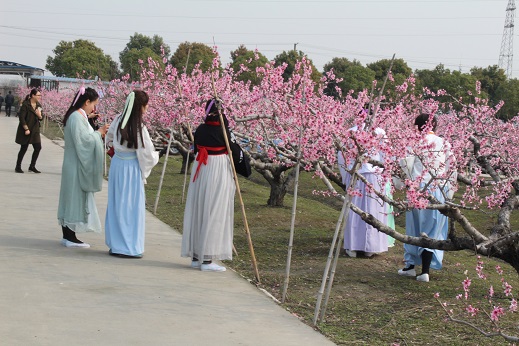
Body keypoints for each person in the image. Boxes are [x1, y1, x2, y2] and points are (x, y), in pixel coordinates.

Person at [397, 113, 454, 282]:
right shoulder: (444, 143)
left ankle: (410, 266)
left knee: (414, 226)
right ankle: (425, 271)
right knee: (433, 228)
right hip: (438, 188)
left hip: (417, 188)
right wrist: (448, 192)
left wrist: (401, 184)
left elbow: (405, 164)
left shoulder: (414, 142)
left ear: (417, 126)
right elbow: (452, 168)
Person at [181, 98, 236, 272]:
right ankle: (207, 259)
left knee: (200, 208)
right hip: (216, 168)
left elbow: (196, 148)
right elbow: (232, 149)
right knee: (214, 210)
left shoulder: (200, 129)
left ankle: (197, 256)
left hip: (201, 167)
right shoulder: (223, 130)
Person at [105, 91, 159, 258]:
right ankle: (129, 247)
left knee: (117, 204)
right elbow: (146, 154)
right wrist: (156, 157)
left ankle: (116, 245)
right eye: (146, 105)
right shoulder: (139, 128)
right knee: (130, 206)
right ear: (140, 107)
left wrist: (116, 149)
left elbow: (108, 138)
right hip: (131, 168)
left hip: (117, 165)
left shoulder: (118, 119)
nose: (147, 108)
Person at [57, 87, 109, 248]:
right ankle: (70, 237)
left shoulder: (77, 116)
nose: (94, 108)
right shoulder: (76, 118)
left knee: (70, 198)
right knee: (74, 199)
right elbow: (84, 142)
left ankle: (68, 235)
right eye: (93, 104)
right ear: (87, 102)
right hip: (76, 165)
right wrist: (98, 133)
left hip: (73, 163)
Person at [337, 125, 388, 258]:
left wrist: (345, 174)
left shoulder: (352, 131)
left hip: (358, 172)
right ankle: (369, 247)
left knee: (355, 209)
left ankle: (355, 246)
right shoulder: (378, 131)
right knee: (371, 208)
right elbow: (386, 154)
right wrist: (384, 173)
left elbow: (342, 155)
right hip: (371, 173)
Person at [14, 89, 43, 173]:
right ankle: (18, 166)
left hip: (35, 130)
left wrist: (39, 115)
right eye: (38, 95)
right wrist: (26, 128)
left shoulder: (38, 105)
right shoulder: (26, 105)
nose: (40, 97)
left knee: (38, 147)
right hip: (26, 130)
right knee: (24, 148)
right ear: (33, 95)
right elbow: (22, 118)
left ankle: (32, 166)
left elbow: (41, 117)